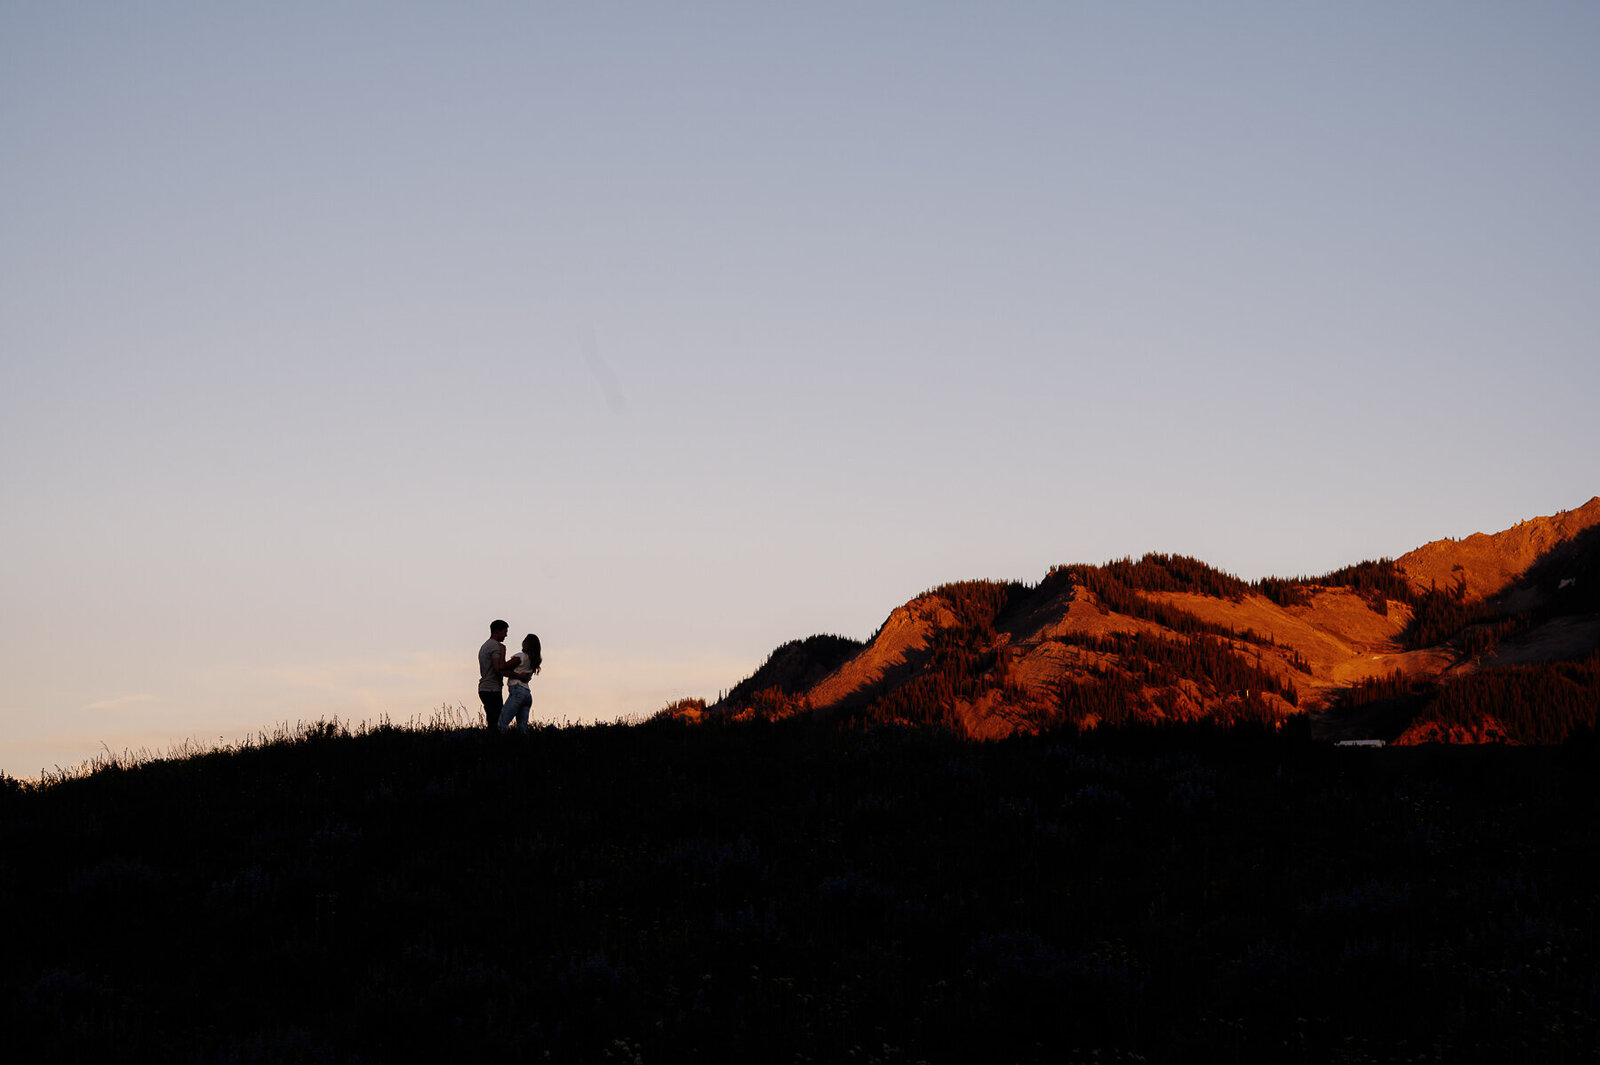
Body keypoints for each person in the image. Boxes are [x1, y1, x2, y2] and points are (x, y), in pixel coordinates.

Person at [499, 634, 542, 733]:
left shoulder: (520, 657)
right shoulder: (533, 660)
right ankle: (523, 746)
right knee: (522, 729)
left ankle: (500, 745)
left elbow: (503, 666)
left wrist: (502, 652)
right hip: (527, 694)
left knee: (502, 723)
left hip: (517, 691)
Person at [478, 620, 509, 730]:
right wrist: (517, 675)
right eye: (505, 631)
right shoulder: (495, 646)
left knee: (492, 720)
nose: (506, 635)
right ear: (497, 631)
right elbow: (498, 668)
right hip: (492, 689)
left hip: (485, 688)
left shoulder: (485, 645)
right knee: (497, 721)